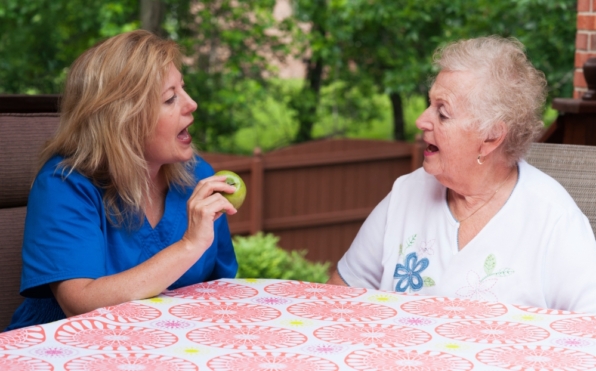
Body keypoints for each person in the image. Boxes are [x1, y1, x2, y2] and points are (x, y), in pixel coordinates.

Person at [328, 36, 596, 313]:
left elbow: (589, 332)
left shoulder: (554, 220)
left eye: (442, 113)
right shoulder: (406, 194)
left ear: (491, 137)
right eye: (429, 104)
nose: (421, 120)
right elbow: (341, 295)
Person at [6, 30, 239, 331]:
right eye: (170, 98)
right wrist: (188, 246)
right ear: (122, 119)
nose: (191, 103)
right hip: (67, 350)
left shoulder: (199, 177)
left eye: (183, 89)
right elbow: (80, 303)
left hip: (168, 347)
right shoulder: (63, 185)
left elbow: (221, 289)